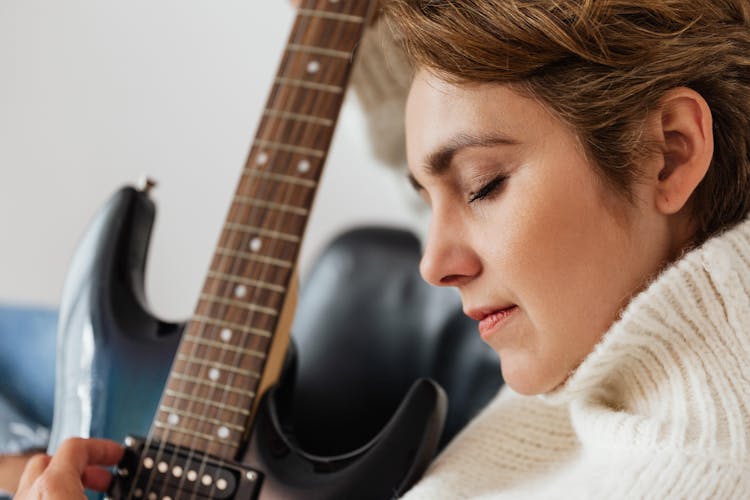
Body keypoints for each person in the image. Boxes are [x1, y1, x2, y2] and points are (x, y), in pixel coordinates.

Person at [14, 0, 750, 498]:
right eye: (428, 199)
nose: (431, 265)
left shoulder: (689, 466)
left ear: (670, 152)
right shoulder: (611, 344)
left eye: (484, 185)